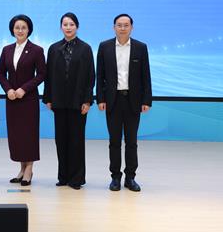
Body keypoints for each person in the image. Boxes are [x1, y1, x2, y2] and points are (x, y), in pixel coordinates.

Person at [96, 13, 152, 192]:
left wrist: (146, 100)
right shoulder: (104, 46)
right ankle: (115, 177)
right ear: (114, 27)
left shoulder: (140, 47)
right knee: (114, 141)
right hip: (112, 100)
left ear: (131, 28)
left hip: (133, 101)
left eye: (126, 25)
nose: (122, 28)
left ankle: (130, 177)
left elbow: (146, 75)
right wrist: (100, 98)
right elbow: (100, 75)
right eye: (119, 25)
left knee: (131, 141)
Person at [43, 12, 95, 190]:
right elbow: (48, 76)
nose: (68, 27)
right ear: (61, 27)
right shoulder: (53, 48)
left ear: (77, 27)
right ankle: (63, 176)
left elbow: (90, 77)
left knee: (76, 141)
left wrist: (87, 101)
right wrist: (48, 98)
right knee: (61, 140)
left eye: (71, 24)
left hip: (78, 102)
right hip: (58, 101)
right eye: (65, 24)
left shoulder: (85, 48)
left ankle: (76, 178)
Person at [0, 14, 46, 186]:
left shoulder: (37, 50)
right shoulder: (7, 50)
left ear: (29, 30)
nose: (20, 30)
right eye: (17, 27)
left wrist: (24, 89)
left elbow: (42, 74)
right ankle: (21, 168)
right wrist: (8, 89)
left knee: (29, 135)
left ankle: (29, 169)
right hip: (12, 100)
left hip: (28, 100)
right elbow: (0, 73)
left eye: (23, 27)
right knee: (17, 135)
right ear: (12, 30)